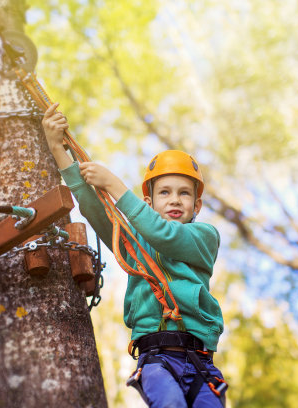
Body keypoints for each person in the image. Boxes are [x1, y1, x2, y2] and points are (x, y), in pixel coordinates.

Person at [42, 102, 227, 407]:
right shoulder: (134, 243)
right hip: (157, 360)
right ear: (149, 202)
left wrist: (115, 185)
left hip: (200, 364)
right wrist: (59, 150)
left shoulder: (203, 238)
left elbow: (166, 236)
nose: (175, 200)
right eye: (164, 192)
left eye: (184, 193)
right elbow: (97, 210)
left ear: (197, 207)